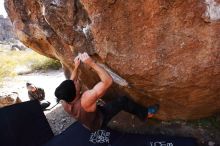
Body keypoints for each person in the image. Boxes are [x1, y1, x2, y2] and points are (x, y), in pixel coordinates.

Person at [55, 52, 159, 131]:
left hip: (87, 120)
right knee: (123, 101)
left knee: (96, 107)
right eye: (76, 84)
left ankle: (93, 116)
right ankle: (145, 114)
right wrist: (91, 63)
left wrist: (76, 66)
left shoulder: (64, 99)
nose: (77, 82)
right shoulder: (86, 99)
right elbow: (107, 81)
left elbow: (71, 81)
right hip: (98, 122)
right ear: (75, 93)